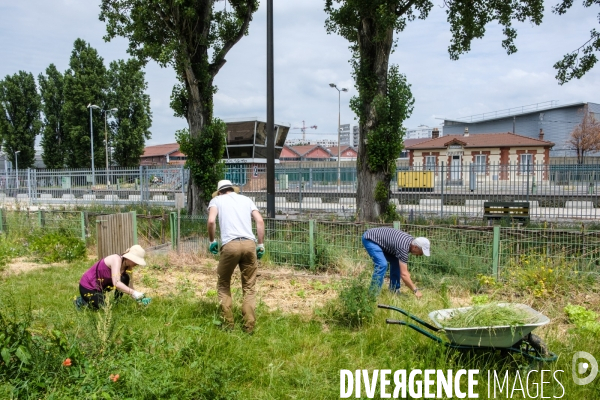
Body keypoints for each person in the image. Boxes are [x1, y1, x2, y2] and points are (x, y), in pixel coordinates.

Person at [207, 179, 265, 333]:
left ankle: (228, 325)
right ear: (232, 189)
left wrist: (212, 241)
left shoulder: (216, 200)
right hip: (249, 244)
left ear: (219, 191)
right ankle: (249, 327)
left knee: (223, 283)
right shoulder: (246, 200)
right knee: (249, 287)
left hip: (230, 245)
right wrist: (260, 244)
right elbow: (259, 220)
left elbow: (211, 221)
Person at [362, 227, 430, 298]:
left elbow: (404, 271)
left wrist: (406, 274)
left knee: (397, 262)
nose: (419, 255)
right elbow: (404, 275)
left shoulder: (411, 242)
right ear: (415, 247)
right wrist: (415, 290)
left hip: (380, 240)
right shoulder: (403, 247)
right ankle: (372, 296)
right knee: (382, 264)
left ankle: (394, 290)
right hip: (370, 239)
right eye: (420, 253)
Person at [76, 245, 147, 309]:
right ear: (129, 258)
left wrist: (138, 298)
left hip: (101, 286)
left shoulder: (127, 266)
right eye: (136, 261)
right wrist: (134, 293)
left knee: (125, 278)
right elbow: (116, 283)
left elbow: (128, 286)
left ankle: (117, 302)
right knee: (103, 308)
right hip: (88, 286)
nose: (137, 264)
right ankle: (81, 301)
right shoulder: (116, 259)